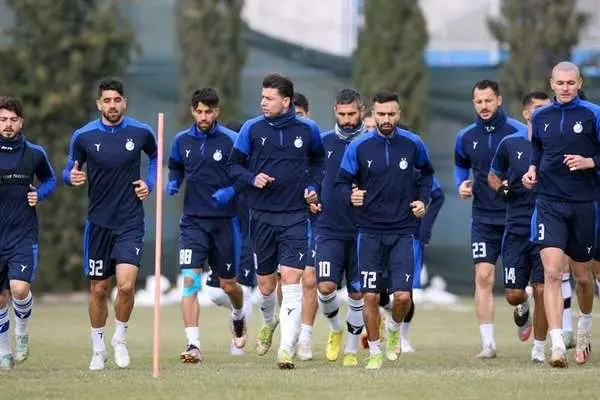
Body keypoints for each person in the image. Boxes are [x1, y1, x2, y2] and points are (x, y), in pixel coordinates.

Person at [228, 73, 325, 369]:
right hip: (261, 217)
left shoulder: (308, 130)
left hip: (295, 216)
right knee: (266, 286)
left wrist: (313, 187)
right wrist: (252, 178)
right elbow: (233, 165)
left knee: (292, 282)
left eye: (269, 98)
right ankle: (268, 321)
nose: (263, 102)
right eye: (262, 97)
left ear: (286, 101)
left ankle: (285, 348)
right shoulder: (251, 128)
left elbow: (319, 162)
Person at [62, 78, 157, 371]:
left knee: (126, 286)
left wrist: (149, 183)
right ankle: (98, 348)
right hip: (99, 224)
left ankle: (120, 339)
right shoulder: (83, 136)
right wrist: (71, 177)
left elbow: (155, 157)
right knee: (99, 289)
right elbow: (69, 169)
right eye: (107, 100)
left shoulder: (141, 132)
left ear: (124, 103)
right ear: (99, 104)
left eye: (117, 100)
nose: (112, 105)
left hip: (130, 221)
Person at [336, 90, 434, 370]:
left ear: (399, 114)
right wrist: (351, 195)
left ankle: (394, 328)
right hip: (369, 231)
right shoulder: (359, 146)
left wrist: (422, 201)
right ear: (373, 115)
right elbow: (341, 182)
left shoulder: (413, 144)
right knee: (370, 295)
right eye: (381, 114)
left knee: (402, 296)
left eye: (391, 114)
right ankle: (375, 351)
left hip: (403, 230)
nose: (386, 119)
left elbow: (427, 174)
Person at [522, 61, 600, 367]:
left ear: (579, 83)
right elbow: (537, 151)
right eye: (560, 83)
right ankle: (556, 347)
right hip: (549, 203)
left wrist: (590, 162)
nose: (565, 88)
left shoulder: (593, 114)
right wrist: (531, 171)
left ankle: (583, 331)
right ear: (551, 83)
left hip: (584, 204)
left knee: (583, 277)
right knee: (553, 274)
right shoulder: (541, 116)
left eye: (570, 83)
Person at [167, 88, 247, 363]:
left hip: (225, 223)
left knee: (229, 285)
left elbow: (244, 176)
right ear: (193, 111)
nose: (203, 117)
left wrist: (230, 191)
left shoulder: (232, 141)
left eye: (208, 112)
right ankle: (193, 345)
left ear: (217, 112)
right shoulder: (181, 140)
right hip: (193, 223)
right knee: (190, 282)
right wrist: (174, 181)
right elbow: (176, 166)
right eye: (199, 111)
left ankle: (238, 314)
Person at [454, 80, 526, 358]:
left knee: (515, 291)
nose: (484, 106)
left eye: (488, 100)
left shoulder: (519, 132)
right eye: (479, 101)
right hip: (483, 219)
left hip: (515, 217)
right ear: (473, 103)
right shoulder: (465, 136)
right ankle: (488, 344)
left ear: (499, 100)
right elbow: (461, 164)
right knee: (483, 276)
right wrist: (462, 184)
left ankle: (523, 304)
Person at [489, 91, 551, 363]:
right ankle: (521, 304)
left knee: (542, 290)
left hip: (547, 226)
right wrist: (502, 189)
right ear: (526, 114)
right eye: (538, 108)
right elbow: (493, 175)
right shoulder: (510, 143)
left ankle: (539, 349)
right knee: (514, 294)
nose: (543, 112)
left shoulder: (556, 144)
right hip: (515, 227)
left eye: (547, 107)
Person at [0, 97, 56, 369]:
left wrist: (39, 194)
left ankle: (21, 331)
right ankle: (3, 351)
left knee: (19, 288)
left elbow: (50, 180)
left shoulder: (34, 153)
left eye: (13, 119)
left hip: (23, 233)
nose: (8, 124)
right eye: (2, 119)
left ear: (21, 122)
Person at [315, 88, 366, 367]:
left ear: (362, 112)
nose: (347, 120)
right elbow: (310, 177)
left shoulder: (371, 143)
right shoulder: (322, 143)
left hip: (363, 232)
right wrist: (310, 195)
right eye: (342, 114)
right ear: (335, 111)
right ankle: (335, 329)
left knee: (357, 293)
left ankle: (351, 349)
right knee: (325, 287)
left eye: (352, 114)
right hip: (329, 229)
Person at [292, 91, 319, 361]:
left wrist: (315, 196)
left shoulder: (316, 142)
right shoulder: (276, 142)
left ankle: (305, 337)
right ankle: (289, 331)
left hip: (312, 221)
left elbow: (325, 177)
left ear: (308, 115)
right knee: (283, 281)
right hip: (283, 219)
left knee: (310, 279)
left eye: (300, 115)